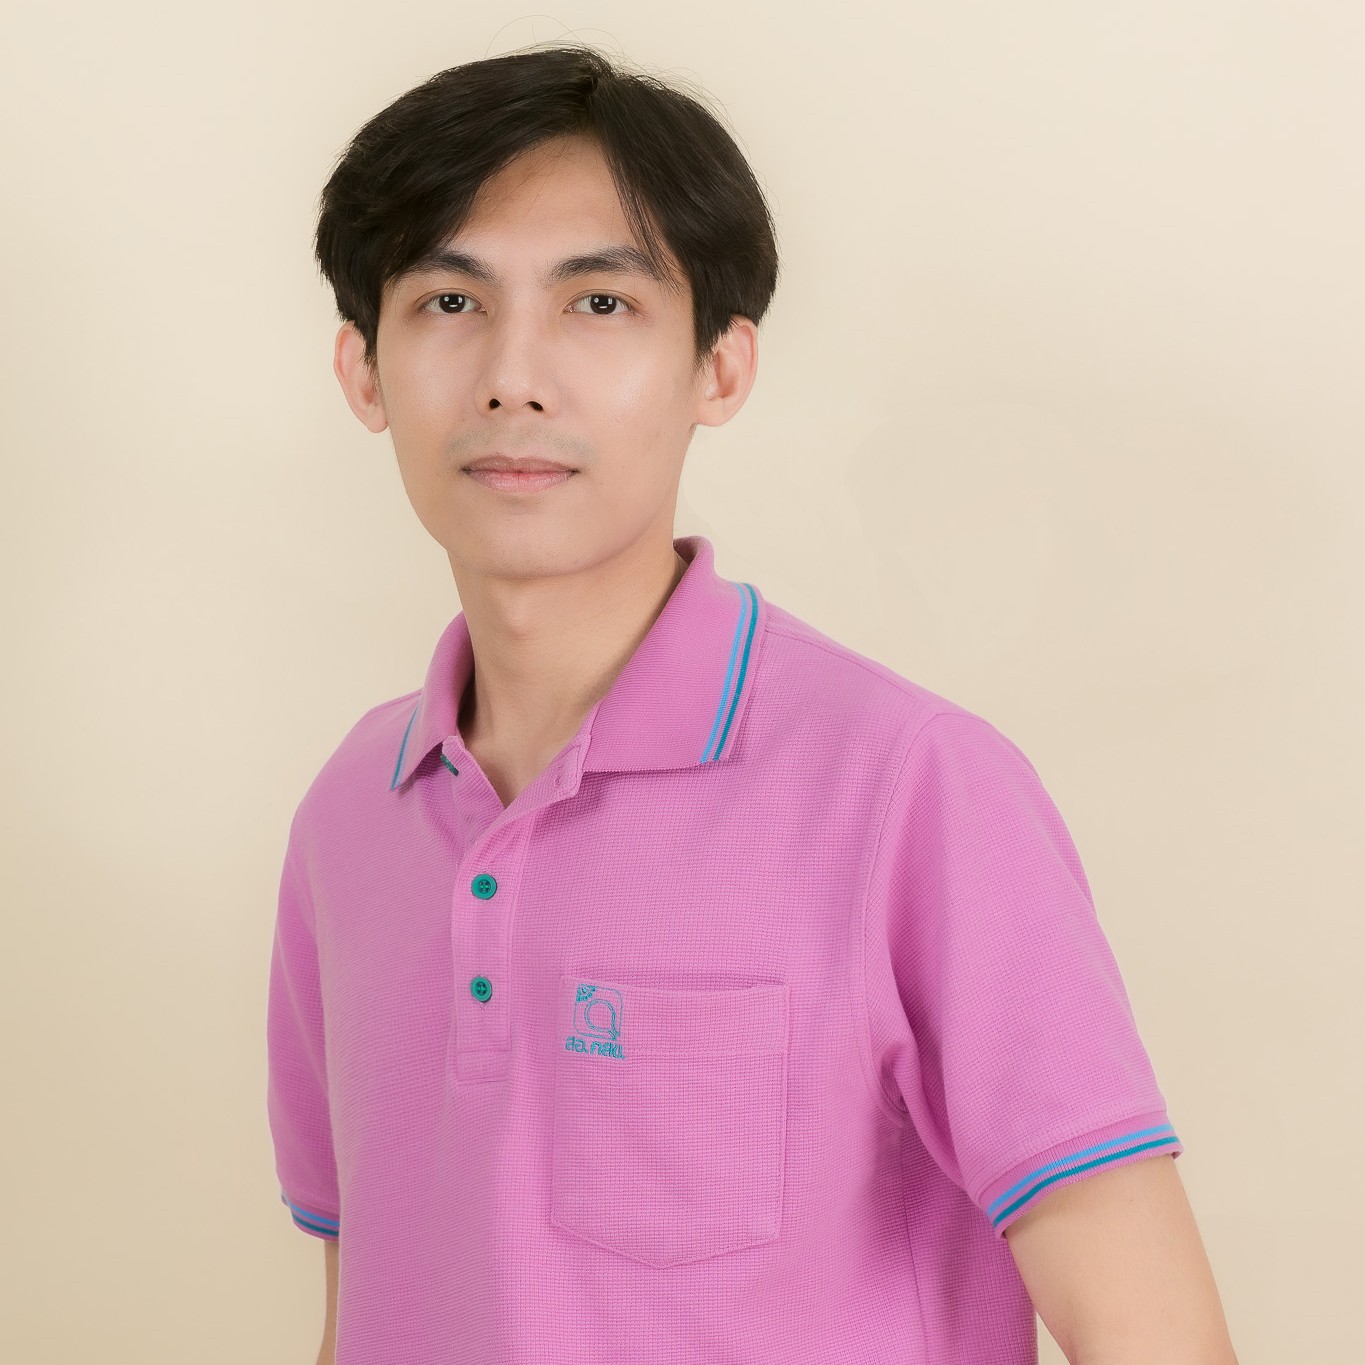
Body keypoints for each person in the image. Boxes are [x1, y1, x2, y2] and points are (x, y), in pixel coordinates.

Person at [266, 42, 1239, 1365]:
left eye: (598, 303)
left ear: (719, 369)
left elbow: (1154, 1333)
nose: (512, 375)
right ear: (362, 370)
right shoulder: (349, 816)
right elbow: (366, 1298)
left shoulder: (909, 786)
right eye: (449, 300)